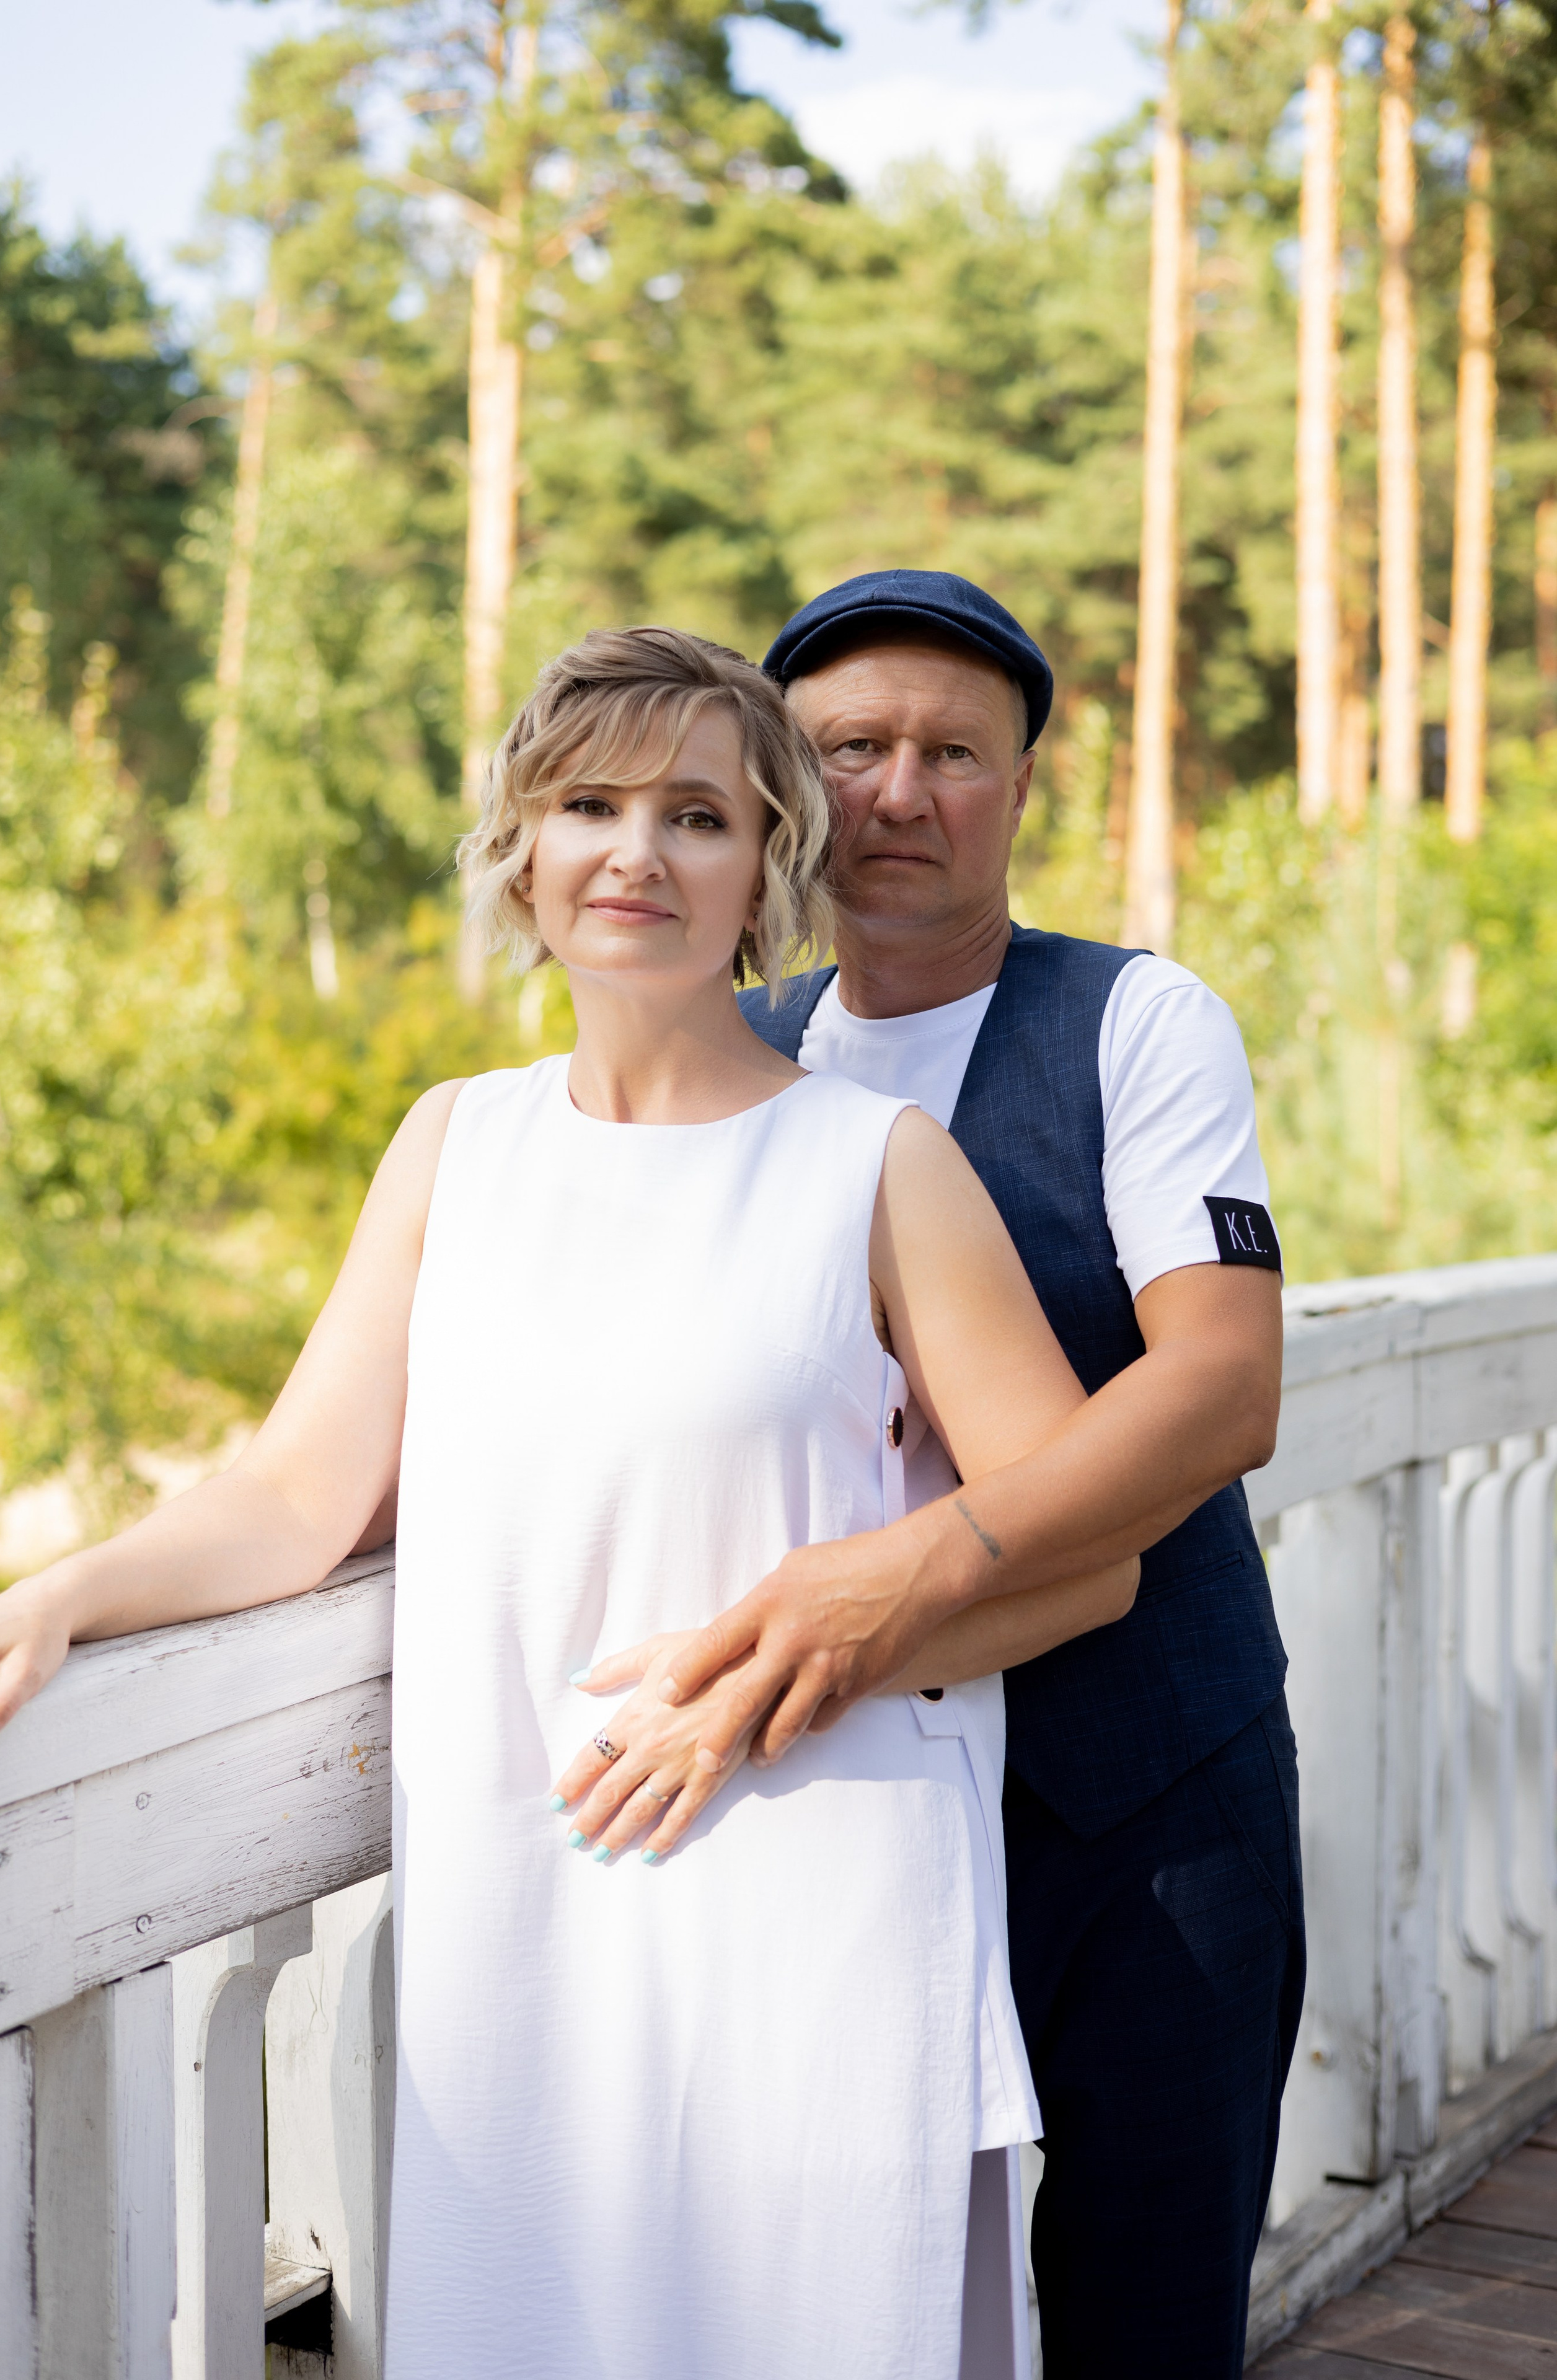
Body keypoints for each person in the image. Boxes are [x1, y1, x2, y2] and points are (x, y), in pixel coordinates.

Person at [0, 626, 1145, 2380]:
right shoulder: (458, 1144)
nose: (637, 852)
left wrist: (781, 1682)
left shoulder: (877, 1171)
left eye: (699, 815)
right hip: (524, 1923)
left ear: (766, 872)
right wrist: (68, 1592)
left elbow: (1094, 1559)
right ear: (523, 852)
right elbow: (302, 1493)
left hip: (806, 1899)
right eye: (588, 804)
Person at [572, 574, 1303, 2379]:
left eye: (954, 754)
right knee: (858, 2306)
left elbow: (1220, 1387)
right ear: (791, 790)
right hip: (854, 1812)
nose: (902, 792)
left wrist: (915, 1569)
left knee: (1150, 2302)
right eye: (852, 751)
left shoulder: (1138, 1023)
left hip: (1152, 1792)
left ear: (1022, 792)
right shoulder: (742, 1056)